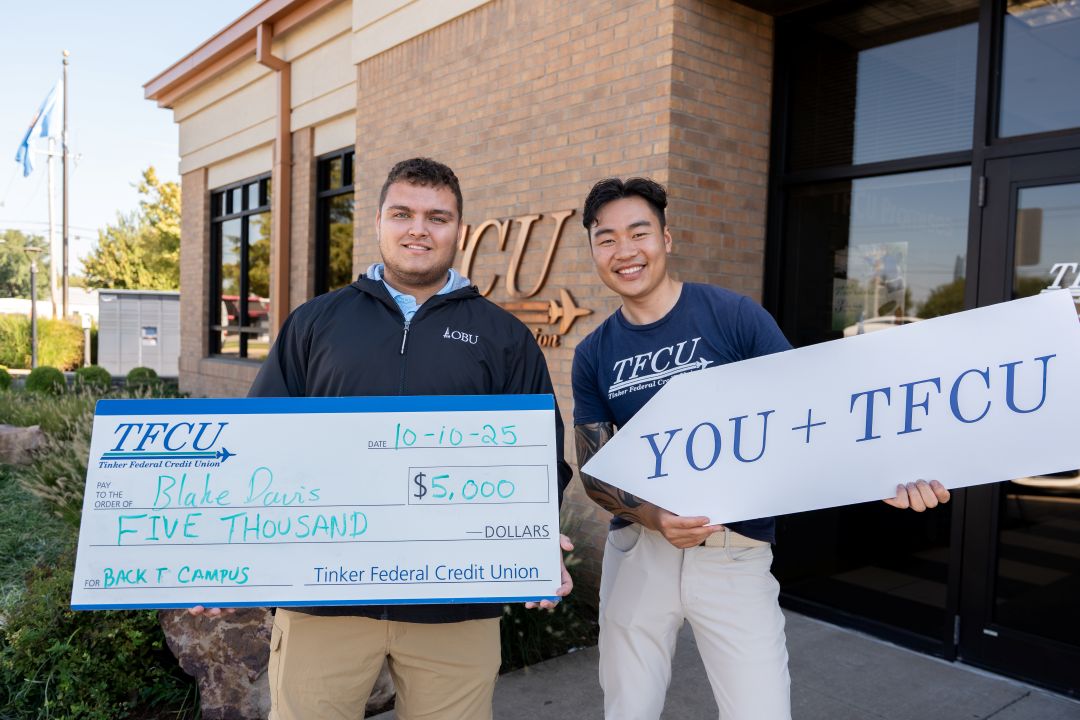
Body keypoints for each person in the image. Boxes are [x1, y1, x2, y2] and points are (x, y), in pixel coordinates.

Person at [196, 158, 574, 720]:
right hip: (324, 598)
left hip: (456, 604)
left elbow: (539, 460)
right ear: (378, 223)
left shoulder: (505, 338)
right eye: (403, 213)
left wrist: (533, 542)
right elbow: (260, 447)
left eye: (436, 217)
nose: (418, 228)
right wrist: (221, 553)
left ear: (459, 231)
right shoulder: (315, 323)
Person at [570, 177, 950, 720]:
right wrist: (654, 517)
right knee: (628, 708)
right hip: (640, 552)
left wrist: (883, 476)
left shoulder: (732, 316)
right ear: (593, 252)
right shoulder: (593, 352)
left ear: (667, 238)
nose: (624, 251)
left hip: (733, 552)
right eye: (606, 239)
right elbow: (595, 469)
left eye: (639, 232)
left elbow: (813, 413)